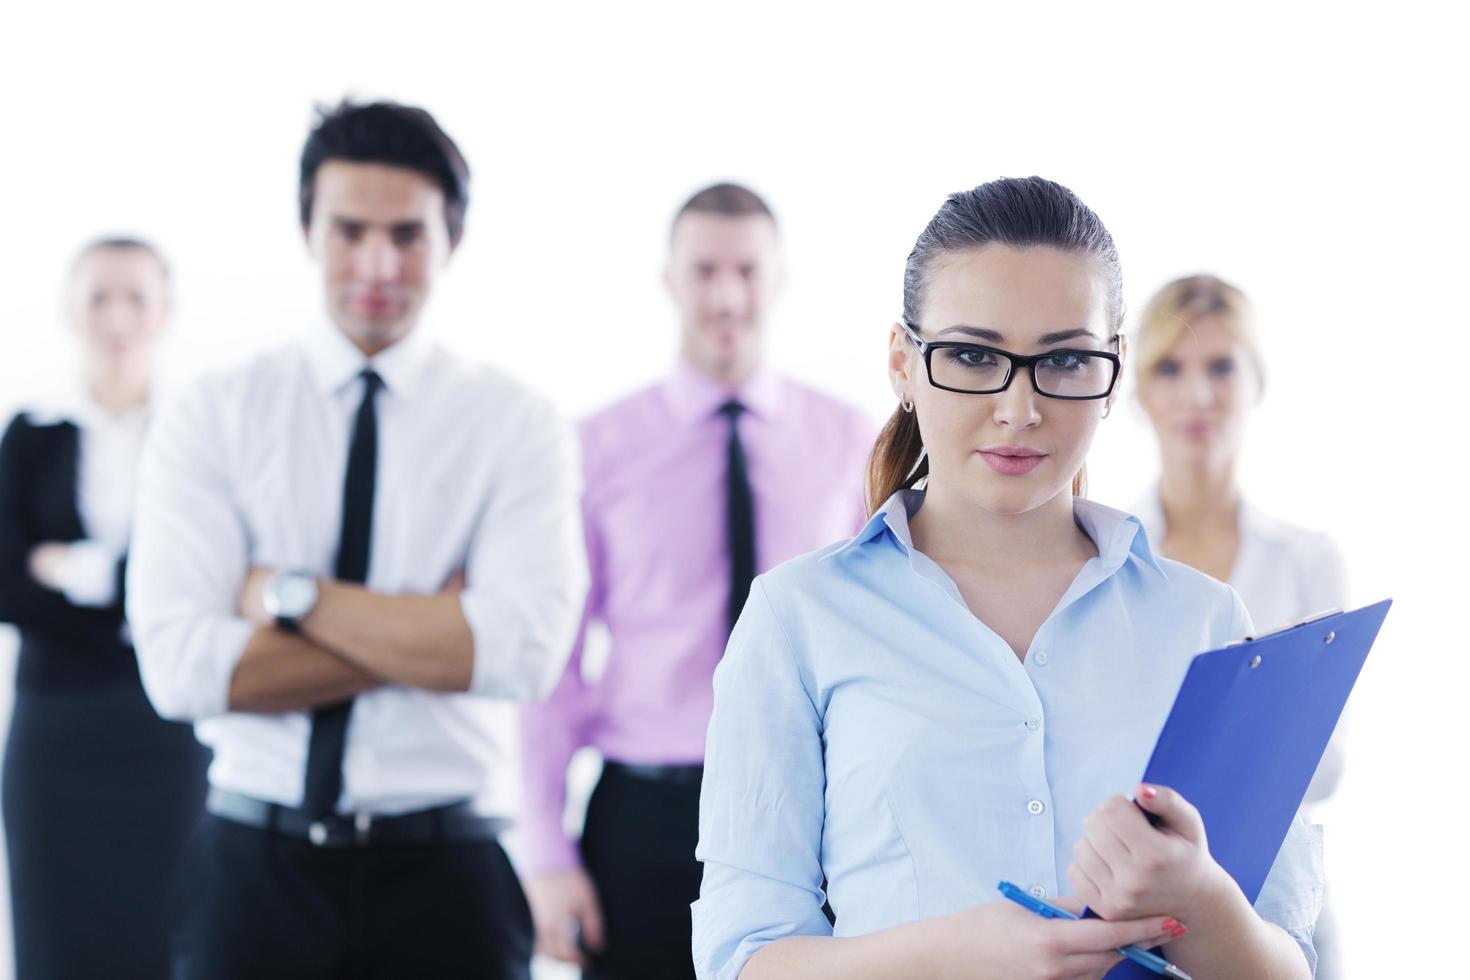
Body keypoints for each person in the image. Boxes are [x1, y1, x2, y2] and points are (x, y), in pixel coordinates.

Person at [692, 177, 1324, 980]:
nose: (1020, 408)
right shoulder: (798, 617)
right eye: (971, 355)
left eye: (1064, 359)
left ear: (1115, 369)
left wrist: (1201, 899)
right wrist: (947, 956)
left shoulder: (1203, 621)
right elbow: (740, 958)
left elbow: (1287, 965)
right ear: (903, 364)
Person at [126, 100, 586, 979]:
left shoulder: (514, 422)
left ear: (450, 239)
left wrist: (287, 600)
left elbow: (525, 651)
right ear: (308, 231)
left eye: (408, 234)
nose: (377, 264)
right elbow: (182, 668)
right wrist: (439, 629)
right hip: (254, 871)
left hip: (448, 875)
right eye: (350, 230)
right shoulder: (215, 412)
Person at [518, 183, 875, 979]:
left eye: (746, 270)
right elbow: (553, 666)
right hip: (645, 815)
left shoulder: (849, 443)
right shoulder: (596, 449)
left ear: (777, 281)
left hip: (807, 812)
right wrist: (545, 852)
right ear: (670, 281)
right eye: (704, 269)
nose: (725, 294)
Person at [0, 237, 210, 979]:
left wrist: (78, 568)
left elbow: (207, 580)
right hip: (55, 725)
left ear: (165, 313)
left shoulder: (196, 434)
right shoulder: (31, 434)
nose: (117, 316)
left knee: (170, 929)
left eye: (136, 298)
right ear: (70, 312)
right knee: (56, 933)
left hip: (166, 722)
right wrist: (132, 592)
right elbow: (7, 586)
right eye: (98, 297)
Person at [1131, 272, 1348, 977]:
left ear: (1257, 381)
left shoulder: (1306, 559)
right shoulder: (1110, 558)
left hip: (1278, 902)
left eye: (1222, 367)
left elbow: (1328, 766)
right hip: (1142, 898)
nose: (1198, 395)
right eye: (1170, 368)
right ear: (1137, 389)